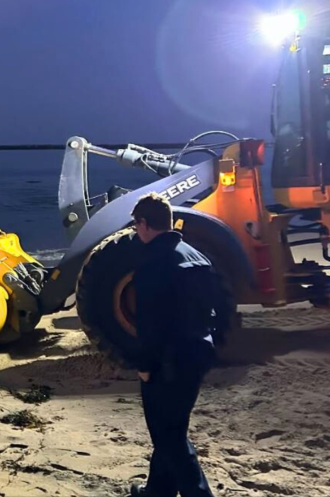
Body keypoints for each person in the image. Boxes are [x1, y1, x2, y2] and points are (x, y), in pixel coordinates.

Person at [128, 193, 222, 497]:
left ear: (144, 224)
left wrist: (145, 365)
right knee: (173, 428)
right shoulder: (196, 256)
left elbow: (151, 322)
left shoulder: (154, 263)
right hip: (198, 354)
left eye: (135, 225)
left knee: (169, 436)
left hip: (168, 362)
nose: (135, 231)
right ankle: (157, 492)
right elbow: (215, 308)